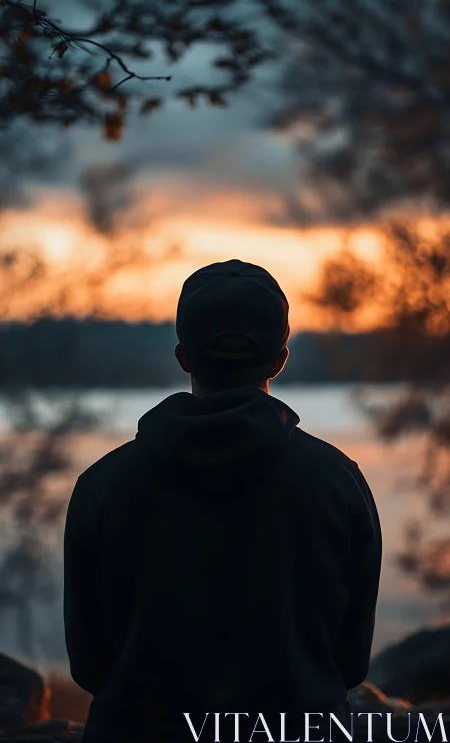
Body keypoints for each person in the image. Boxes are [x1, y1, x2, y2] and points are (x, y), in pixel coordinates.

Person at [64, 259, 382, 743]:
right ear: (280, 360)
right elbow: (349, 663)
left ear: (182, 356)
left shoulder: (101, 485)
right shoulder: (339, 483)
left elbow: (89, 665)